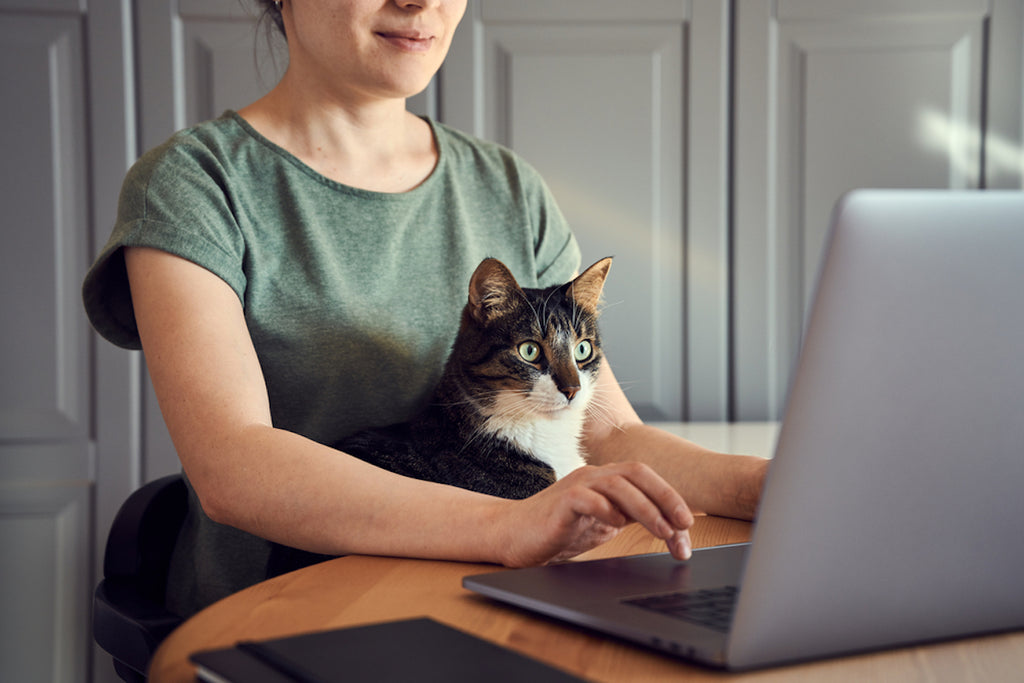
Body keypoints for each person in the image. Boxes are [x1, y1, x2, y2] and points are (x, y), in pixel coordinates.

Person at [83, 0, 768, 618]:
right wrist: (508, 525)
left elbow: (609, 434)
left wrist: (779, 489)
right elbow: (233, 466)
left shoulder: (508, 185)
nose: (419, 2)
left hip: (499, 598)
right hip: (293, 612)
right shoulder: (194, 182)